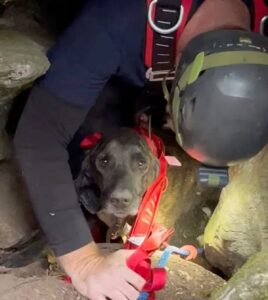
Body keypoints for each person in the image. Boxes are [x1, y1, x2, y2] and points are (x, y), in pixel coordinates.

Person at [13, 0, 268, 299]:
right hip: (101, 67)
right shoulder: (114, 21)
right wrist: (83, 262)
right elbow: (39, 134)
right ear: (176, 86)